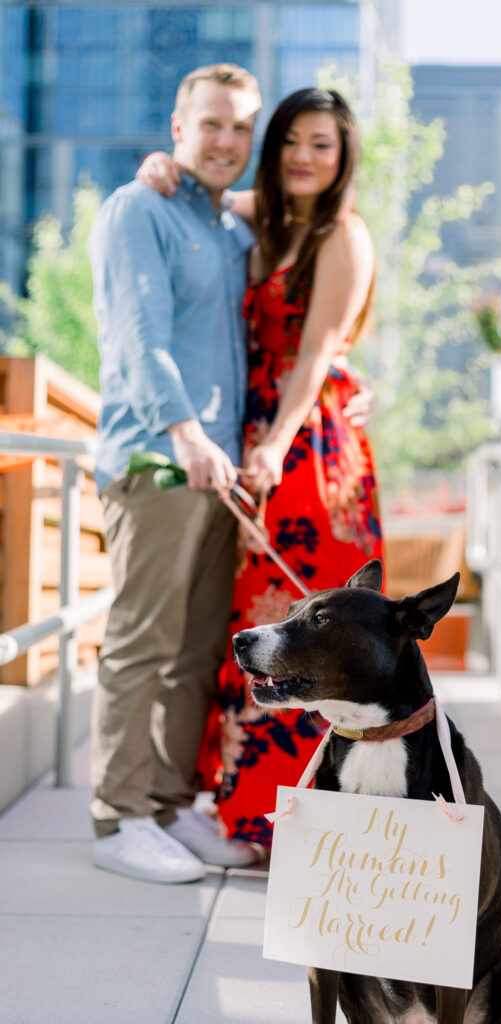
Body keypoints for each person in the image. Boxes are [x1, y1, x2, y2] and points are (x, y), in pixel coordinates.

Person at [138, 87, 382, 849]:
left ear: (342, 160)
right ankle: (252, 816)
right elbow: (193, 185)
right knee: (256, 630)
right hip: (256, 442)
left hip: (307, 449)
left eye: (324, 145)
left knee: (317, 632)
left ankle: (320, 827)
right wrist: (156, 166)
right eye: (293, 142)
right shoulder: (255, 217)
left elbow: (315, 355)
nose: (306, 157)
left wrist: (274, 445)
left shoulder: (342, 233)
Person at [88, 63, 265, 884]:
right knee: (140, 641)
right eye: (211, 124)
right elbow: (136, 337)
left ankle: (166, 802)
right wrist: (186, 433)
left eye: (240, 128)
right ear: (177, 127)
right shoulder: (138, 208)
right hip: (161, 461)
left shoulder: (229, 230)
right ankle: (117, 817)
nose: (226, 141)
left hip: (220, 471)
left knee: (195, 650)